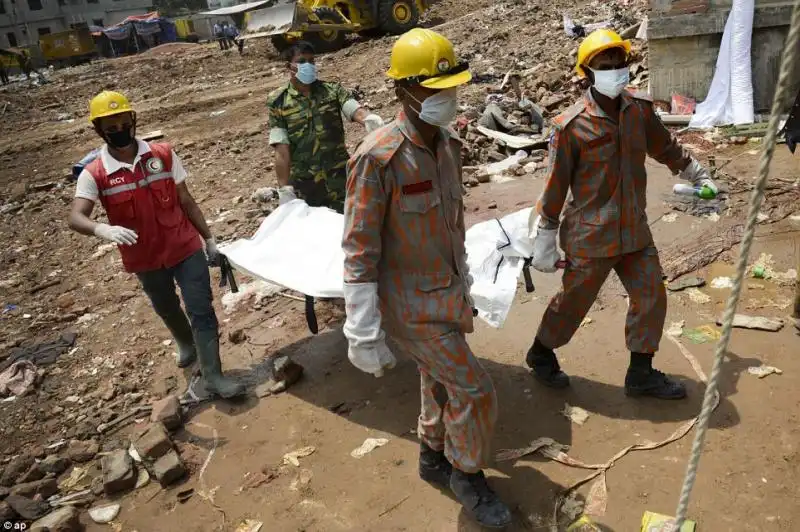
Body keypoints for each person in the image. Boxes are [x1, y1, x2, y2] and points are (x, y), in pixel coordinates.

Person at [341, 28, 512, 529]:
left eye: (452, 88)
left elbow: (451, 223)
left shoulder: (449, 144)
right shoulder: (379, 157)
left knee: (436, 380)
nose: (448, 99)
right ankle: (467, 475)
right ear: (403, 91)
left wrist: (466, 282)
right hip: (410, 308)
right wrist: (362, 328)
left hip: (446, 294)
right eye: (435, 91)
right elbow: (359, 246)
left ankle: (433, 456)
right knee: (476, 391)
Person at [526, 29, 719, 399]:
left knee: (651, 295)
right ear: (587, 73)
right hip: (590, 235)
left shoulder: (639, 111)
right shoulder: (570, 126)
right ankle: (541, 353)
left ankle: (641, 373)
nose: (616, 71)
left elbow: (666, 146)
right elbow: (555, 185)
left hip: (634, 230)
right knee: (573, 304)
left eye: (620, 64)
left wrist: (695, 171)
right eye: (605, 66)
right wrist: (546, 235)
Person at [67, 91, 245, 399]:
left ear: (133, 121)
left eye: (124, 122)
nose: (120, 130)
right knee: (165, 305)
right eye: (111, 127)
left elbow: (187, 201)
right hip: (145, 256)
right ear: (99, 130)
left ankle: (214, 376)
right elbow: (76, 217)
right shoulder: (95, 172)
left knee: (201, 308)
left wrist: (210, 240)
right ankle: (185, 341)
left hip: (183, 246)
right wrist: (102, 230)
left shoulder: (162, 154)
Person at [267, 41, 385, 214]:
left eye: (311, 61)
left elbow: (353, 109)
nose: (308, 65)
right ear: (289, 66)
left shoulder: (332, 91)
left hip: (340, 179)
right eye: (301, 61)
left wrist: (369, 119)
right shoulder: (279, 101)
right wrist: (284, 189)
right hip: (306, 185)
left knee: (349, 226)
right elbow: (281, 147)